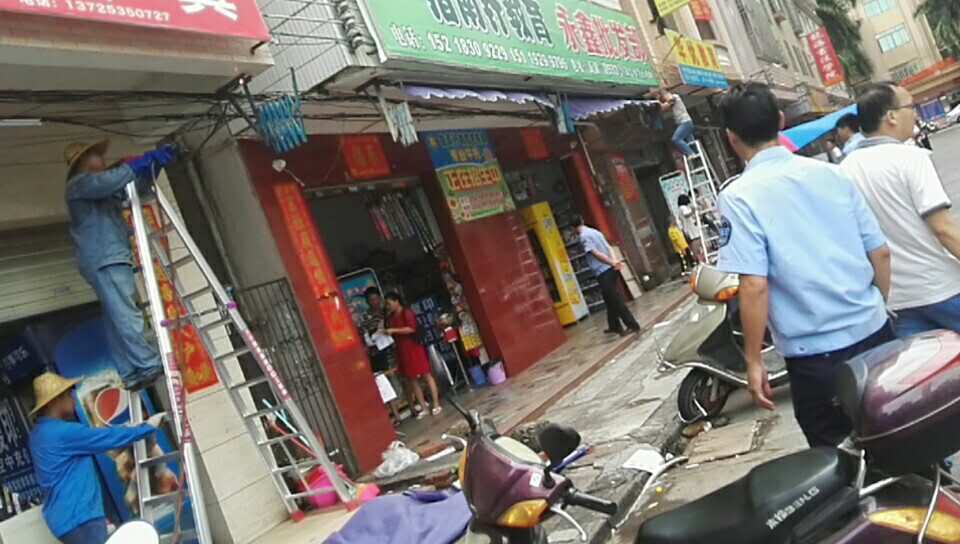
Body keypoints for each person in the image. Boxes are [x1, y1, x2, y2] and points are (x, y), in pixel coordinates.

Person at [716, 83, 894, 448]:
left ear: (731, 138)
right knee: (899, 435)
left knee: (839, 460)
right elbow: (880, 252)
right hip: (876, 333)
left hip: (816, 358)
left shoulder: (738, 196)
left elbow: (754, 285)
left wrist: (754, 360)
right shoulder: (832, 174)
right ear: (781, 120)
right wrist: (877, 305)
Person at [841, 82, 960, 338]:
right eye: (911, 107)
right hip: (943, 287)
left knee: (929, 363)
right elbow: (943, 228)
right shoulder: (910, 158)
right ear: (891, 116)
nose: (915, 114)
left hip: (898, 302)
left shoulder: (845, 170)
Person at [65, 140, 177, 390]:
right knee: (126, 313)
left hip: (106, 257)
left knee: (116, 318)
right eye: (96, 155)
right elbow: (112, 180)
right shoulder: (80, 184)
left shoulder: (98, 189)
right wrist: (135, 164)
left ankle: (130, 372)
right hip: (106, 257)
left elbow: (134, 190)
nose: (102, 159)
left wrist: (151, 167)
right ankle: (147, 362)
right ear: (83, 161)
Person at [28, 372, 165, 544]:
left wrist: (127, 430)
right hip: (80, 516)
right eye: (69, 395)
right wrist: (146, 427)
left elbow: (95, 440)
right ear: (55, 401)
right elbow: (105, 439)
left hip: (64, 519)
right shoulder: (62, 433)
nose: (73, 399)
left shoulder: (38, 435)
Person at [573, 215, 640, 336]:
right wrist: (614, 261)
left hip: (603, 272)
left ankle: (632, 325)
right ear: (582, 221)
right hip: (611, 269)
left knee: (615, 300)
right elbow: (609, 247)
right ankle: (614, 325)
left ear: (573, 228)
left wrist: (611, 262)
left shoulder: (584, 237)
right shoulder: (595, 232)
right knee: (609, 299)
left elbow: (595, 253)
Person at [384, 293, 442, 418]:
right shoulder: (391, 317)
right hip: (402, 349)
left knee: (426, 374)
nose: (388, 306)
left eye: (389, 303)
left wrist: (394, 330)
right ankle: (423, 407)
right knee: (412, 379)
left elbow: (411, 328)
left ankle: (436, 403)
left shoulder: (406, 312)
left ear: (396, 301)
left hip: (414, 347)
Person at [658, 90, 696, 156]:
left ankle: (691, 153)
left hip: (685, 122)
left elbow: (666, 104)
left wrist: (658, 101)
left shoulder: (674, 96)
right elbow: (663, 109)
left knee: (676, 139)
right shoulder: (672, 102)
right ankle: (695, 154)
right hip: (685, 123)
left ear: (666, 94)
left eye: (664, 98)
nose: (665, 100)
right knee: (692, 144)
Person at [677, 194, 703, 262]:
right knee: (696, 243)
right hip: (691, 230)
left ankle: (697, 259)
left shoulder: (680, 209)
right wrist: (693, 210)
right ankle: (697, 259)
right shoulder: (683, 208)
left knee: (693, 245)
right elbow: (686, 214)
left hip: (687, 229)